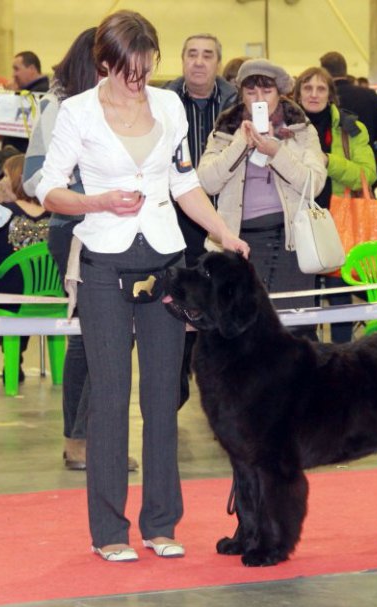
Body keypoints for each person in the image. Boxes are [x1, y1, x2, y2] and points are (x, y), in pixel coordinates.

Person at [36, 10, 249, 562]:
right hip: (103, 262)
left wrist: (222, 231)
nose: (139, 79)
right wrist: (98, 201)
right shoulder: (77, 112)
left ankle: (161, 523)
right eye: (129, 70)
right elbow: (48, 190)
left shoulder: (170, 106)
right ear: (106, 64)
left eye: (147, 67)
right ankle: (109, 531)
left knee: (162, 397)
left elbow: (184, 182)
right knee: (109, 398)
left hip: (165, 261)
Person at [22, 27, 122, 472]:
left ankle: (85, 439)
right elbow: (32, 179)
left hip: (114, 231)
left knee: (98, 339)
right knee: (94, 339)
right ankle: (81, 439)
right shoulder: (59, 107)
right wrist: (88, 185)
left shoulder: (117, 105)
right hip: (76, 230)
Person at [197, 58, 326, 339]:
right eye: (251, 91)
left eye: (266, 91)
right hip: (239, 244)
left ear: (280, 93)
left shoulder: (301, 129)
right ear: (241, 95)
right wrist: (240, 145)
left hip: (291, 244)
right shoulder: (225, 130)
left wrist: (276, 152)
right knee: (242, 333)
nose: (259, 98)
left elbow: (314, 183)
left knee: (294, 333)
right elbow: (206, 181)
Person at [164, 33, 238, 408]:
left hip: (221, 219)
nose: (198, 61)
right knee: (177, 307)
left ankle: (223, 396)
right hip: (173, 220)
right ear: (182, 60)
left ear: (217, 63)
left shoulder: (236, 104)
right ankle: (174, 391)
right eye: (192, 54)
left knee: (218, 311)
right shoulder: (162, 102)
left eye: (207, 55)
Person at [293, 66, 377, 343]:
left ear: (330, 94)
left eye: (321, 89)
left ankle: (343, 356)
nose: (314, 94)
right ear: (297, 93)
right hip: (296, 221)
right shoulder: (284, 127)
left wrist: (329, 161)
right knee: (303, 297)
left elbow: (368, 174)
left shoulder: (351, 129)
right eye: (308, 88)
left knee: (338, 293)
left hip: (339, 222)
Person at [0, 154, 50, 383]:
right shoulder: (56, 214)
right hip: (52, 298)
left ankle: (11, 353)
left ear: (17, 180)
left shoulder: (3, 212)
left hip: (10, 299)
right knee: (26, 296)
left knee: (10, 293)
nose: (2, 181)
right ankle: (15, 352)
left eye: (5, 176)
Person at [319, 51, 377, 163]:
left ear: (324, 73)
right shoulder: (370, 95)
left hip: (335, 164)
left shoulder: (324, 98)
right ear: (345, 69)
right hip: (367, 162)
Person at [3, 51, 49, 152]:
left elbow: (17, 124)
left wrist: (12, 96)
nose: (13, 74)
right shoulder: (29, 91)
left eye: (16, 69)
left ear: (32, 69)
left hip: (24, 152)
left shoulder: (41, 93)